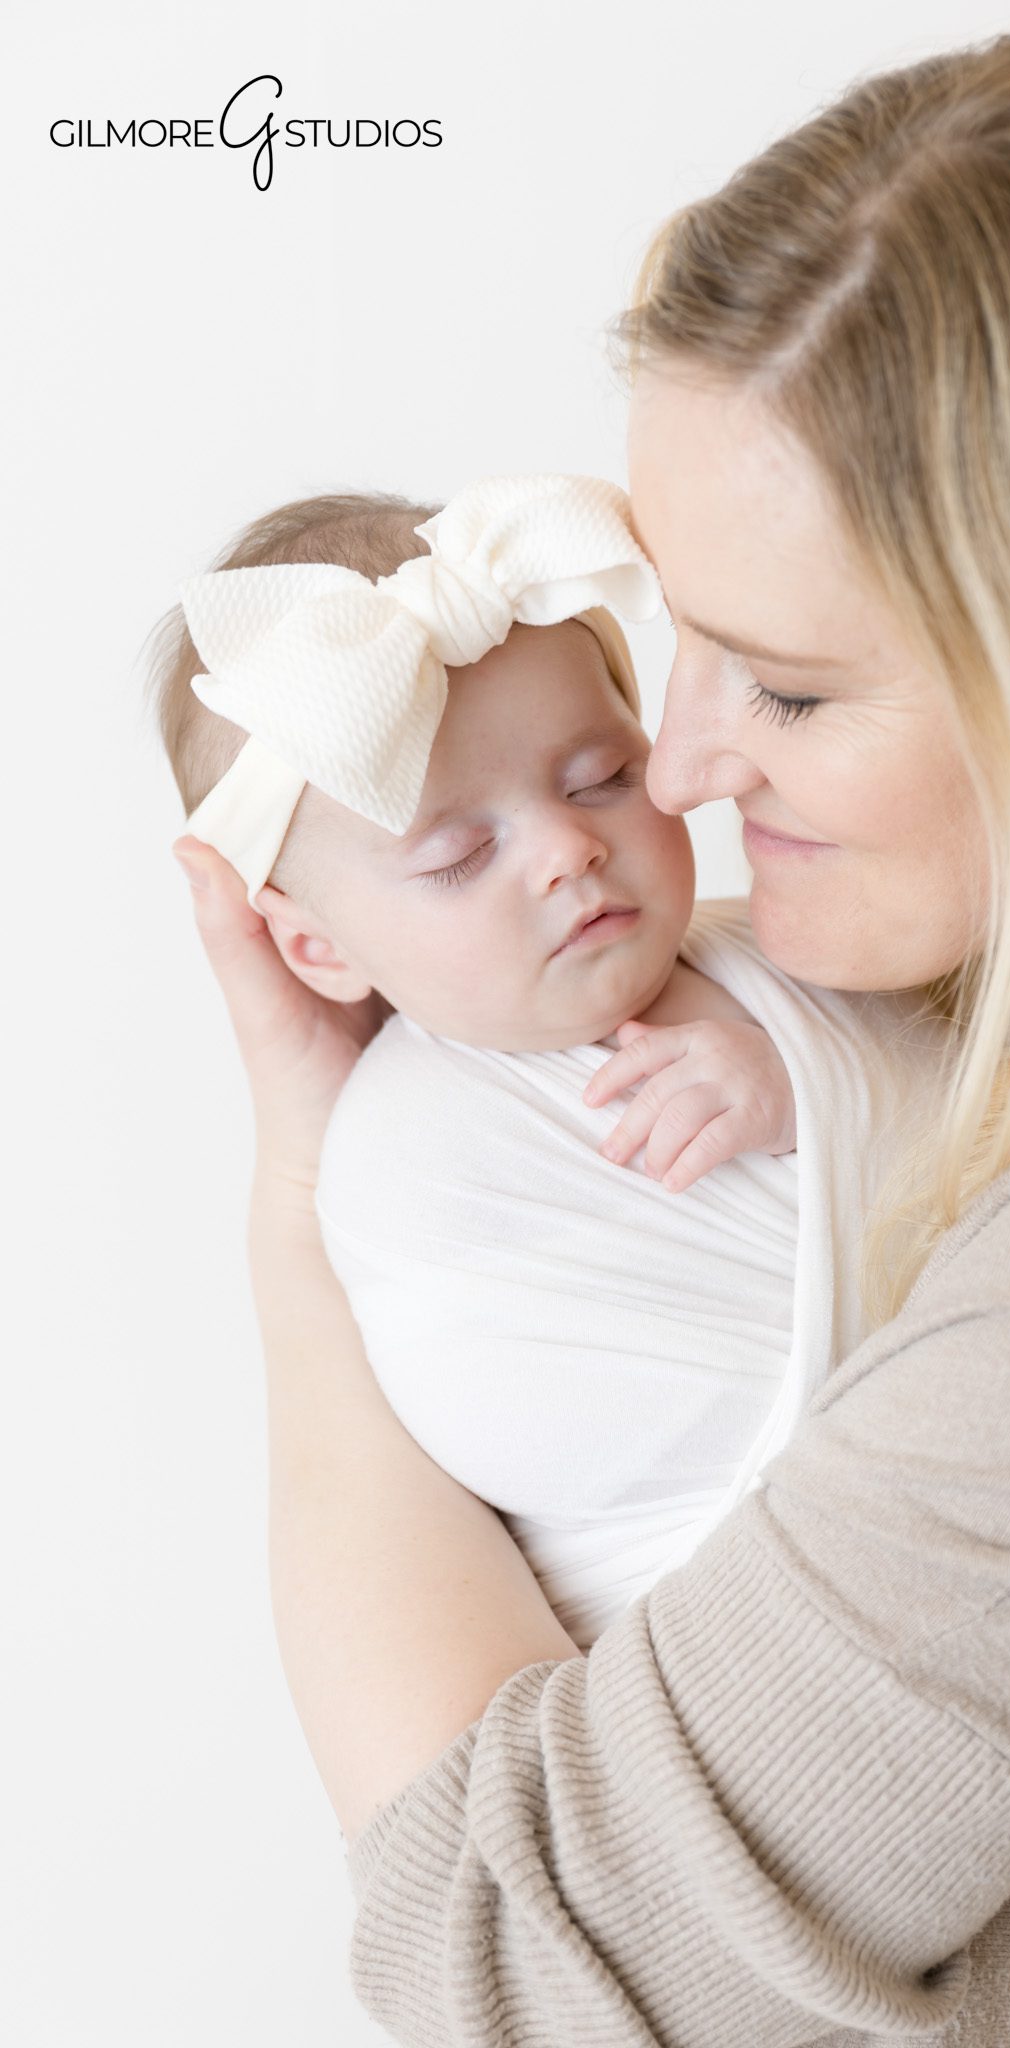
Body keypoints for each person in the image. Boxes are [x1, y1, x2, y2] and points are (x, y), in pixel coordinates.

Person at [170, 24, 1010, 2048]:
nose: (685, 759)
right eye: (680, 642)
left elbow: (512, 1961)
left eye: (789, 692)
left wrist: (297, 1218)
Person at [153, 477, 945, 1655]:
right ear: (316, 945)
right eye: (462, 853)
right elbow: (533, 1426)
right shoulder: (393, 1160)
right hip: (720, 1641)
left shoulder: (801, 959)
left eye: (601, 780)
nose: (570, 847)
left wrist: (804, 1092)